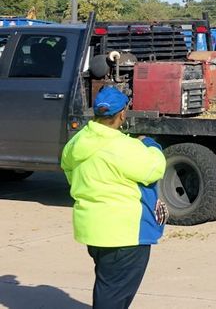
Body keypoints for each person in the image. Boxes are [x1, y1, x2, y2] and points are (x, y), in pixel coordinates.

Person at [61, 85, 168, 309]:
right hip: (124, 234)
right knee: (114, 294)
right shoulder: (123, 147)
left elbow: (71, 172)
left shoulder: (77, 142)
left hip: (93, 230)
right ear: (122, 114)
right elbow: (154, 169)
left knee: (108, 284)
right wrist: (151, 144)